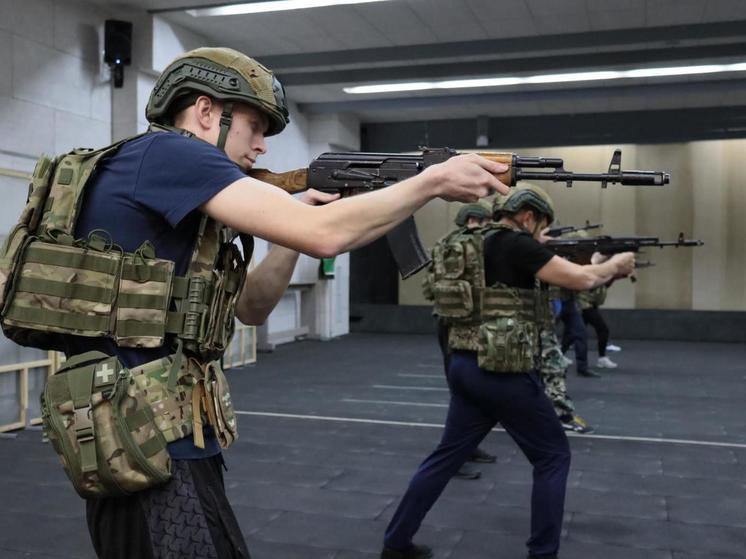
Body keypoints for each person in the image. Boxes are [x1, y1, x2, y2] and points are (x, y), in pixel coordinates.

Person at [16, 48, 508, 559]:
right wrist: (431, 181)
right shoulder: (171, 154)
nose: (262, 147)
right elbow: (325, 236)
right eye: (254, 126)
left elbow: (251, 306)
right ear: (205, 112)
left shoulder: (174, 185)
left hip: (162, 434)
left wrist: (289, 235)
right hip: (145, 437)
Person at [381, 185, 634, 559]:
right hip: (503, 370)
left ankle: (396, 542)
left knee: (445, 457)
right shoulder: (517, 245)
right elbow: (582, 280)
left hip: (463, 363)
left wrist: (543, 245)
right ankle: (543, 553)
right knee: (553, 457)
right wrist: (615, 264)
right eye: (541, 225)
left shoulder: (468, 241)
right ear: (529, 216)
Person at [426, 204, 497, 481]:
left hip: (454, 321)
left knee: (469, 393)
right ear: (471, 220)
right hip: (457, 325)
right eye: (485, 221)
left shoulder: (447, 243)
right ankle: (453, 458)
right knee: (463, 393)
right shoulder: (463, 245)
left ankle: (468, 447)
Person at [577, 285, 617, 368]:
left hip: (588, 305)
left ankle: (560, 354)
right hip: (585, 305)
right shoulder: (594, 275)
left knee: (574, 332)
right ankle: (602, 358)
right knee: (603, 330)